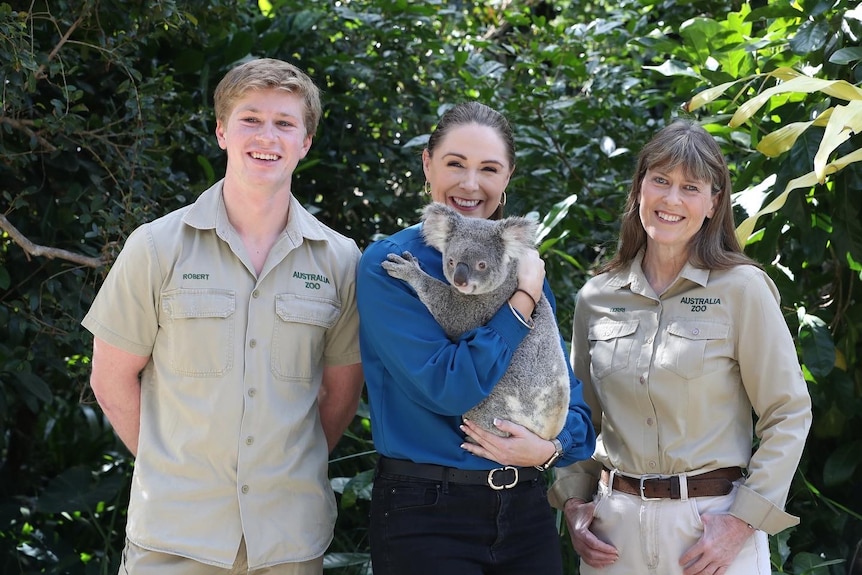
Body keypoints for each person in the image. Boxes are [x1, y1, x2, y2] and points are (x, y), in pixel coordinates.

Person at [82, 58, 364, 575]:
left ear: (305, 141)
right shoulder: (156, 247)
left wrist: (288, 468)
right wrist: (170, 469)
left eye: (285, 123)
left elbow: (339, 393)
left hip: (288, 541)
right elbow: (110, 377)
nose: (267, 136)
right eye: (250, 119)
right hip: (173, 540)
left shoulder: (341, 261)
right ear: (221, 131)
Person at [549, 120, 812, 575]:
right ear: (639, 189)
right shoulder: (597, 297)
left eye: (691, 187)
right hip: (615, 534)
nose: (672, 200)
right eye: (661, 181)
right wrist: (574, 502)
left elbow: (788, 412)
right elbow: (578, 416)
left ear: (713, 203)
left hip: (711, 533)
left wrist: (741, 522)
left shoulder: (742, 289)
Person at [356, 101, 596, 575]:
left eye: (489, 169)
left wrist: (552, 447)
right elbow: (451, 389)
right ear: (427, 165)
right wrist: (523, 299)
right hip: (427, 510)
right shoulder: (390, 267)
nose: (471, 184)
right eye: (455, 164)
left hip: (525, 505)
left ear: (507, 177)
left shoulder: (521, 263)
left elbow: (574, 406)